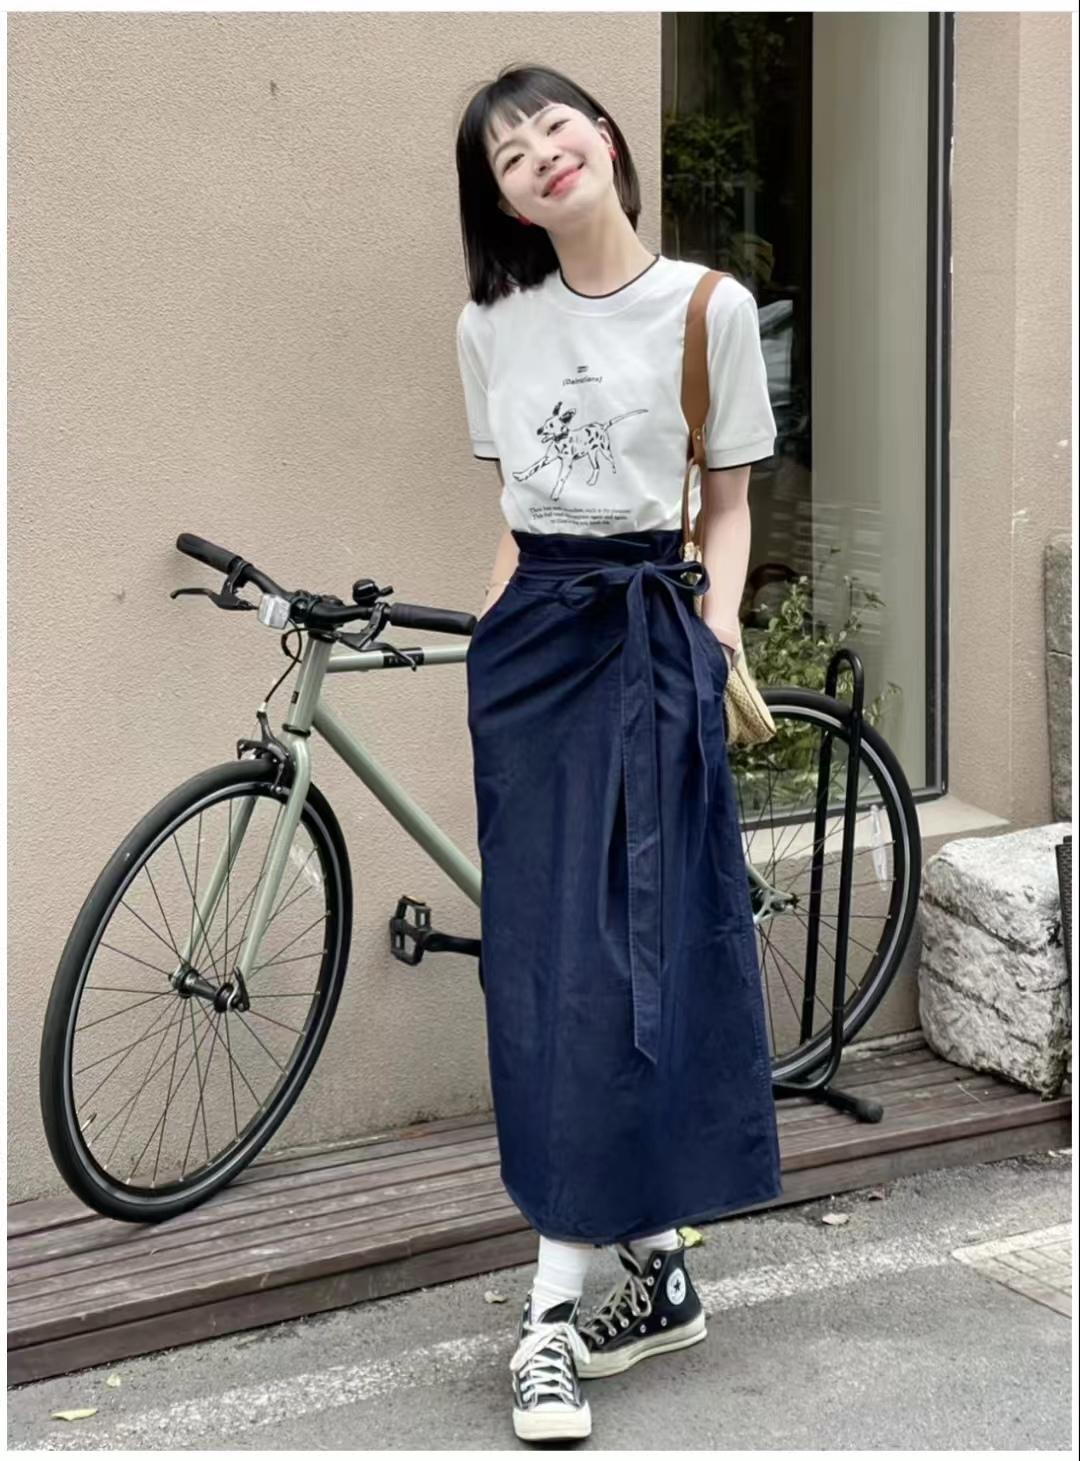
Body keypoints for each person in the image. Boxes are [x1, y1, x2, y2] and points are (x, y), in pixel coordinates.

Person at [453, 63, 783, 1444]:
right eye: (507, 152)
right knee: (541, 970)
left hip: (650, 640)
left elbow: (729, 507)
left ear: (603, 135)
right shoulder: (489, 326)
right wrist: (486, 650)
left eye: (553, 125)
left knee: (616, 968)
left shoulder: (708, 308)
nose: (539, 152)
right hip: (534, 649)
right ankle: (657, 1272)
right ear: (502, 202)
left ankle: (548, 1320)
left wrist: (714, 638)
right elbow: (520, 517)